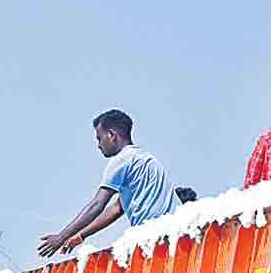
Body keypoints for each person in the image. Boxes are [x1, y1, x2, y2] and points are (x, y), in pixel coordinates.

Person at [39, 109, 177, 257]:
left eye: (99, 138)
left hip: (154, 240)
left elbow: (97, 204)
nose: (99, 145)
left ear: (111, 135)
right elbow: (117, 208)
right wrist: (81, 235)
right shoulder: (146, 159)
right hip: (175, 235)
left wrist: (61, 237)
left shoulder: (122, 160)